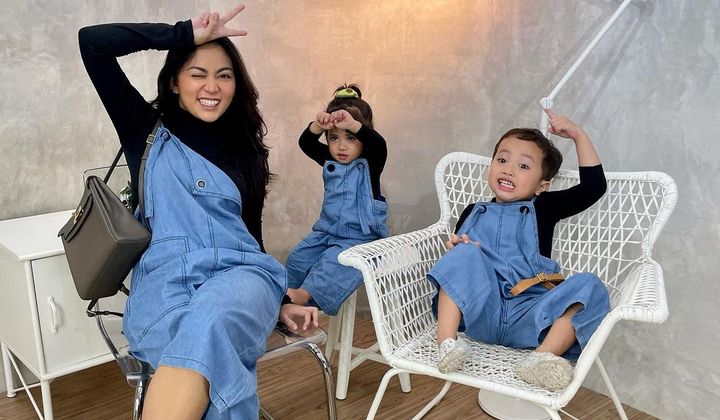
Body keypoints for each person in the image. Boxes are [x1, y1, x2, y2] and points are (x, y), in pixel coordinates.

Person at [79, 5, 317, 419]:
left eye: (224, 75)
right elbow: (93, 43)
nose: (212, 86)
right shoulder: (144, 131)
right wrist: (181, 35)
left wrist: (275, 301)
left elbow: (250, 233)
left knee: (211, 322)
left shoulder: (246, 150)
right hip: (165, 284)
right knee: (208, 356)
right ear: (174, 81)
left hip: (240, 276)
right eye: (197, 73)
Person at [428, 109, 610, 391]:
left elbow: (594, 187)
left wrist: (578, 135)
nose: (509, 169)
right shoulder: (473, 211)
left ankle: (540, 359)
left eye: (523, 166)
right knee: (463, 253)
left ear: (542, 186)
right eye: (502, 160)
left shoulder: (545, 207)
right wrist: (459, 251)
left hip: (530, 315)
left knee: (590, 285)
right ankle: (447, 344)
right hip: (482, 310)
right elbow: (462, 271)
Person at [284, 85, 388, 315]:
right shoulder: (329, 160)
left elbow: (378, 144)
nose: (341, 146)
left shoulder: (371, 162)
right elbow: (306, 143)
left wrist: (353, 124)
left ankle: (305, 295)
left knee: (334, 262)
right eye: (333, 138)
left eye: (350, 137)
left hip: (359, 235)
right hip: (327, 231)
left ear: (362, 136)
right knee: (298, 257)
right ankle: (284, 299)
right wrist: (317, 126)